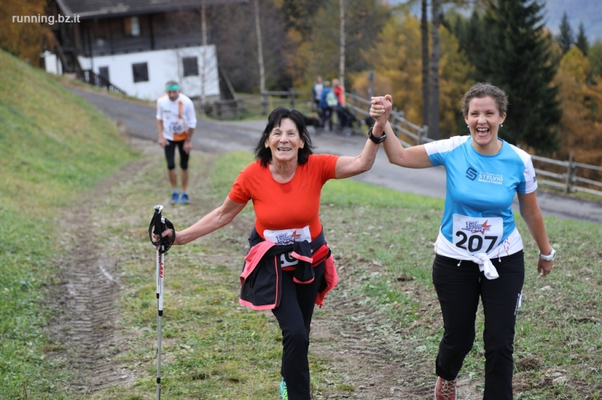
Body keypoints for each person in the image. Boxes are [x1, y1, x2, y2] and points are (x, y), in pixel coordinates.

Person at [154, 106, 385, 400]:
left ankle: (288, 378)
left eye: (292, 133)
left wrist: (378, 127)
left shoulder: (316, 166)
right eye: (277, 133)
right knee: (296, 333)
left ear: (302, 141)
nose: (284, 139)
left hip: (309, 260)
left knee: (302, 332)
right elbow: (222, 215)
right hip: (272, 265)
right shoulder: (253, 175)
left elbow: (362, 163)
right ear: (267, 141)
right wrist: (179, 237)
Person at [369, 83, 555, 400]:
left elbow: (531, 210)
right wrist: (384, 122)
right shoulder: (454, 148)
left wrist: (546, 252)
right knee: (459, 338)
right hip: (454, 260)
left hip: (504, 259)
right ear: (466, 118)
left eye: (489, 113)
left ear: (502, 117)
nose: (482, 120)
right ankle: (448, 374)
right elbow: (398, 156)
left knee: (499, 341)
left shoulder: (519, 160)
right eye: (475, 114)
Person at [156, 80, 197, 205]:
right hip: (169, 137)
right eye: (169, 92)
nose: (172, 94)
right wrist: (161, 136)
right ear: (166, 91)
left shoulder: (187, 102)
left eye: (174, 91)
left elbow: (192, 123)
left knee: (184, 165)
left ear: (179, 90)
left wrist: (188, 141)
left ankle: (184, 192)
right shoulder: (161, 102)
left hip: (184, 137)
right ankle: (174, 191)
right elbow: (159, 119)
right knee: (170, 165)